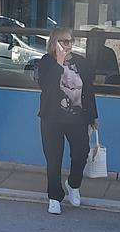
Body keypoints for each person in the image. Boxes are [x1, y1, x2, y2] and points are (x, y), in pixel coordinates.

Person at [36, 28, 98, 215]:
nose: (68, 44)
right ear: (54, 42)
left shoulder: (81, 63)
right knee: (53, 159)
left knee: (81, 153)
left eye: (70, 41)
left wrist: (93, 117)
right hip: (52, 118)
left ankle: (73, 184)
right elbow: (46, 87)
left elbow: (89, 91)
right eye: (64, 41)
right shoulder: (46, 62)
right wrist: (59, 61)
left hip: (77, 118)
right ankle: (54, 197)